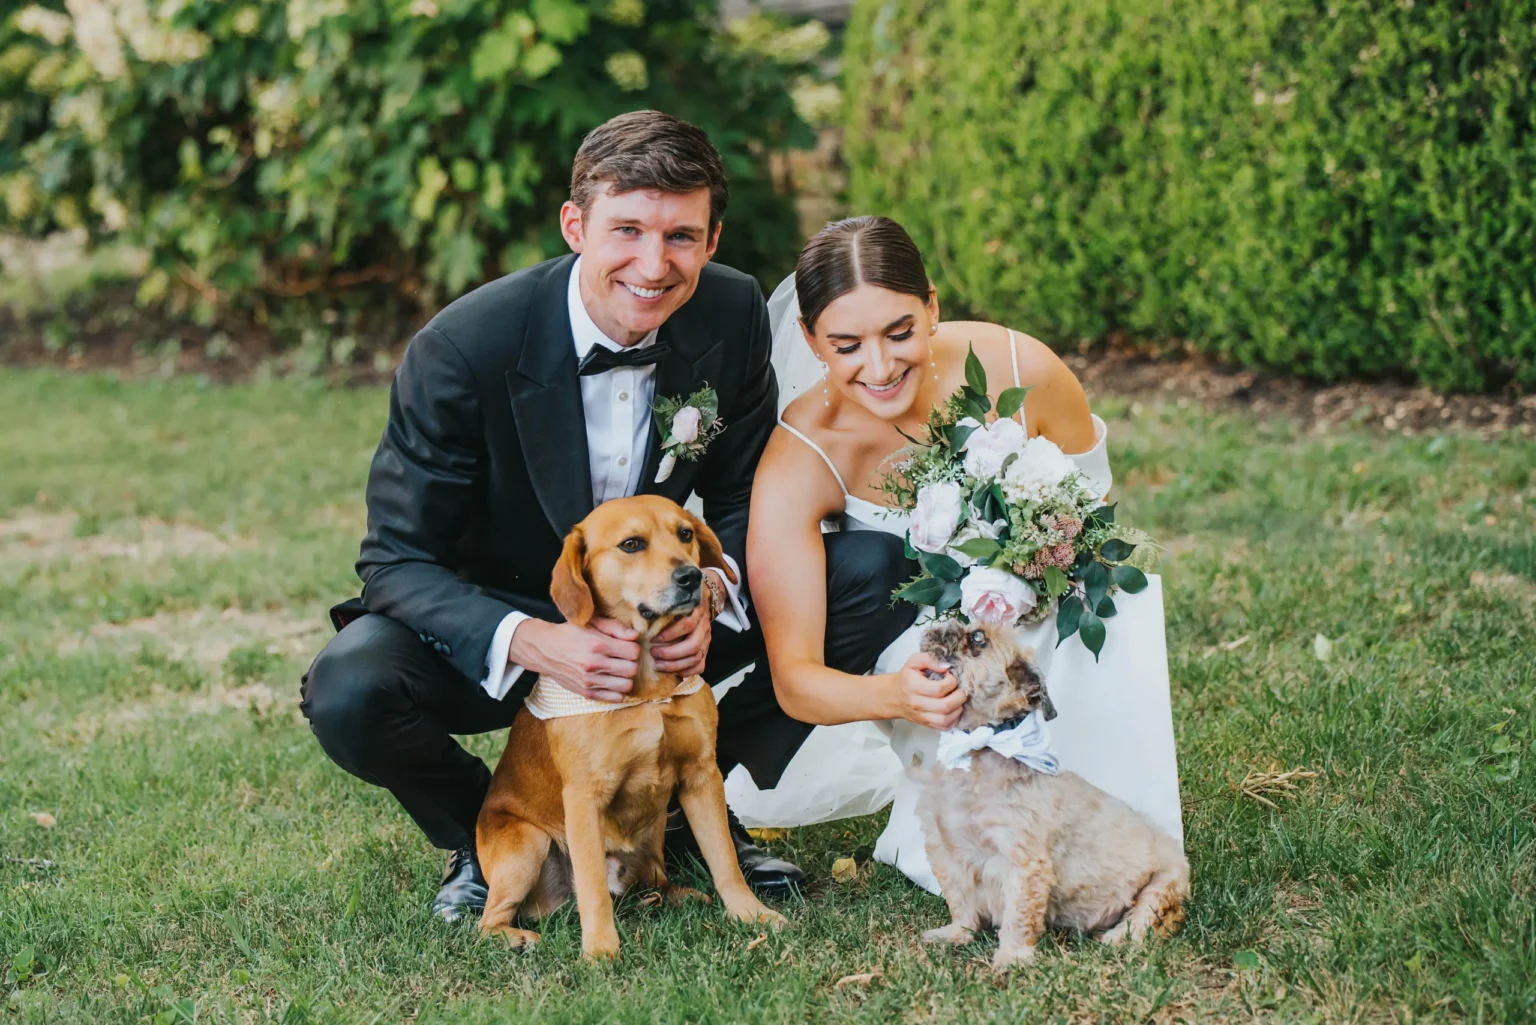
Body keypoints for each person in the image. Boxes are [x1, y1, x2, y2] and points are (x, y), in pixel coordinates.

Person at [299, 114, 918, 922]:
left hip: (663, 619)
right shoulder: (462, 350)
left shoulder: (726, 314)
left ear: (712, 237)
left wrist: (708, 599)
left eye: (682, 237)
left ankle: (680, 811)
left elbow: (739, 499)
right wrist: (541, 640)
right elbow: (396, 562)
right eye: (626, 229)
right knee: (349, 687)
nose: (654, 266)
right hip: (511, 624)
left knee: (867, 572)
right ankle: (484, 835)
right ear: (574, 223)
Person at [740, 216, 1182, 893]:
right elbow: (794, 677)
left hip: (1047, 610)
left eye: (899, 332)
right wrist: (895, 693)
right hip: (931, 658)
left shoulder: (1021, 367)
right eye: (847, 344)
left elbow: (1088, 513)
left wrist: (1042, 559)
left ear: (933, 308)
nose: (881, 367)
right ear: (808, 338)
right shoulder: (802, 454)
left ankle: (1121, 831)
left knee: (1113, 600)